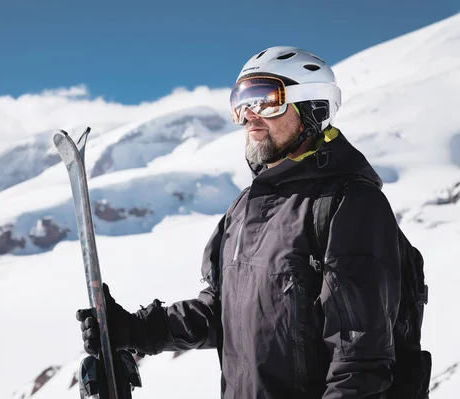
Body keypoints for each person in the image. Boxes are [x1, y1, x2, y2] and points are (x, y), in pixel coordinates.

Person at [76, 46, 401, 399]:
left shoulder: (349, 204)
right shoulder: (243, 209)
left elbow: (358, 358)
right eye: (241, 102)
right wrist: (135, 329)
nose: (249, 116)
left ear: (314, 107)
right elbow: (219, 312)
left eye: (265, 99)